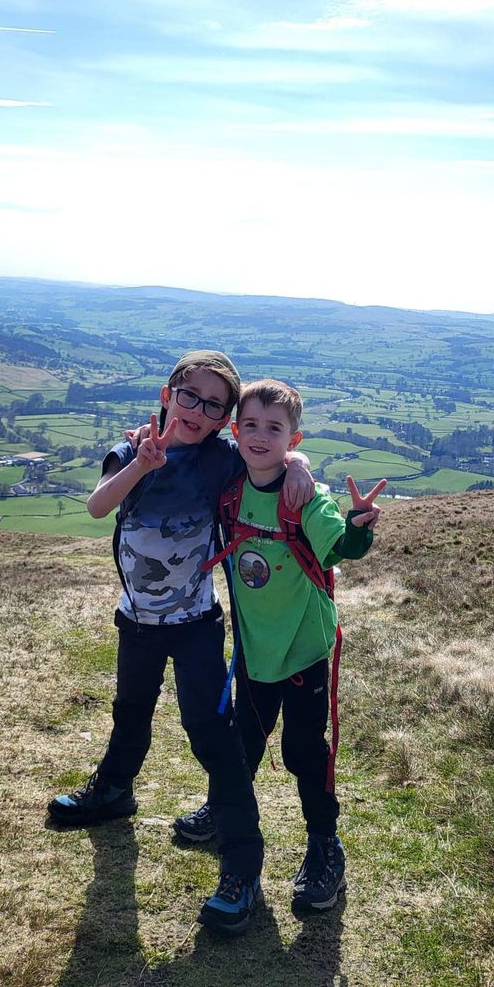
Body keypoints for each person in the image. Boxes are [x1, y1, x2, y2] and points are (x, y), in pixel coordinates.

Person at [47, 352, 312, 936]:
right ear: (167, 394)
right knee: (129, 713)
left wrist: (298, 463)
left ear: (224, 419)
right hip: (136, 622)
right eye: (188, 395)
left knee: (212, 735)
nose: (197, 409)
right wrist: (143, 463)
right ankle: (113, 791)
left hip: (196, 625)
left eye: (213, 403)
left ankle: (242, 867)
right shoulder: (129, 453)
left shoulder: (221, 460)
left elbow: (267, 454)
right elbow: (98, 506)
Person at [174, 378, 385, 913]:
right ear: (236, 429)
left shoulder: (305, 497)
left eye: (275, 428)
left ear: (293, 437)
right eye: (251, 425)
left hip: (303, 651)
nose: (260, 436)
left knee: (304, 753)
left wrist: (358, 526)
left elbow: (339, 544)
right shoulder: (230, 488)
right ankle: (225, 809)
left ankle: (324, 847)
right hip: (253, 649)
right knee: (242, 741)